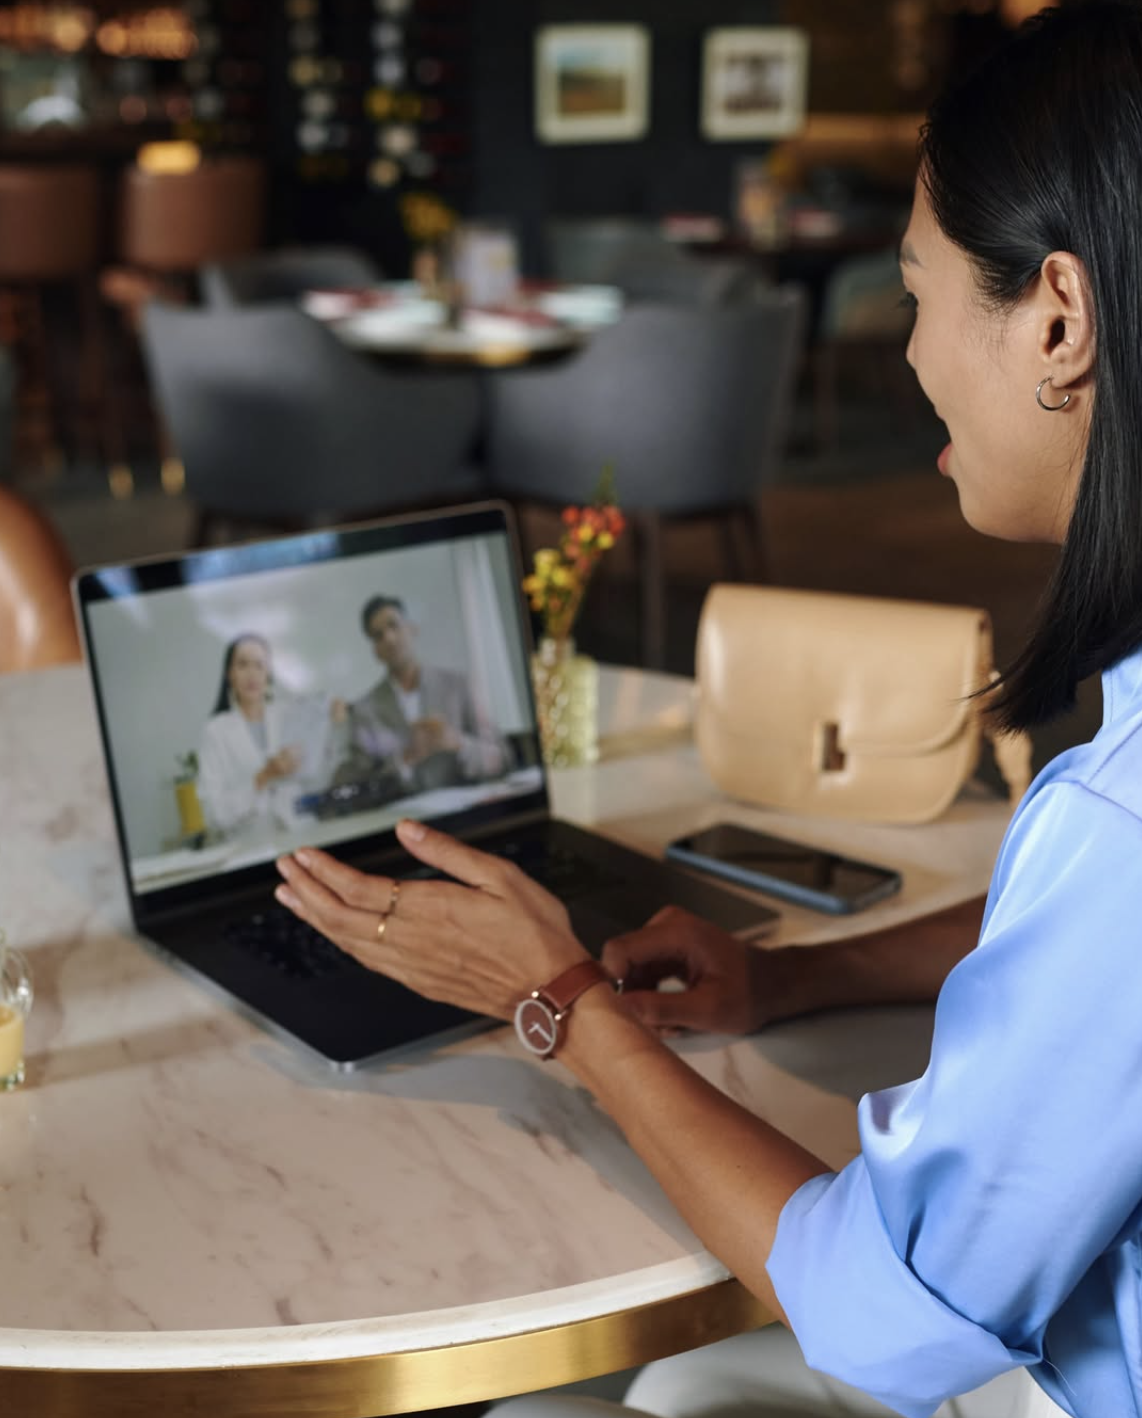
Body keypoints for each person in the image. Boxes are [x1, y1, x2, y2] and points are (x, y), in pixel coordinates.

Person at [272, 6, 1142, 1414]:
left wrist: (556, 998)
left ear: (1057, 318)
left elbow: (885, 1317)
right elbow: (1093, 971)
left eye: (916, 293)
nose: (910, 354)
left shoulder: (1120, 819)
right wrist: (795, 976)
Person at [333, 594, 509, 795]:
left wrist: (458, 742)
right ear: (375, 651)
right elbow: (361, 787)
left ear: (411, 629)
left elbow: (503, 757)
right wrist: (406, 758)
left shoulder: (458, 685)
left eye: (394, 625)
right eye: (378, 635)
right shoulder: (364, 711)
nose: (389, 638)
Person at [198, 634, 345, 837]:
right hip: (251, 844)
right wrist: (262, 777)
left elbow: (318, 778)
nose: (252, 674)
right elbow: (212, 814)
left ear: (269, 673)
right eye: (242, 665)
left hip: (303, 833)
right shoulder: (216, 731)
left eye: (259, 665)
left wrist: (333, 726)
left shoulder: (291, 715)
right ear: (229, 673)